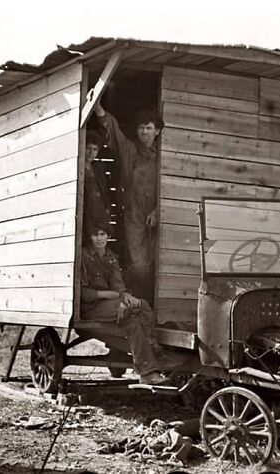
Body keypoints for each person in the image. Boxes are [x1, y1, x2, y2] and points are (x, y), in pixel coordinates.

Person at [80, 220, 173, 385]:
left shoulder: (110, 258)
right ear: (90, 236)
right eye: (95, 235)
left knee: (142, 306)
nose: (99, 239)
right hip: (92, 307)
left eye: (103, 234)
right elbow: (84, 293)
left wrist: (125, 297)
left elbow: (118, 285)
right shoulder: (84, 257)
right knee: (132, 316)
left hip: (111, 303)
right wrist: (112, 296)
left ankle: (153, 350)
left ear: (108, 236)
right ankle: (148, 369)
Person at [93, 102, 163, 305]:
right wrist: (100, 112)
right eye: (141, 127)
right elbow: (115, 133)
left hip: (159, 211)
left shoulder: (164, 155)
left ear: (157, 131)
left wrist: (158, 209)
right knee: (139, 262)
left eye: (149, 127)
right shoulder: (130, 149)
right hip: (134, 212)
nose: (144, 131)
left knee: (160, 260)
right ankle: (143, 303)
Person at [83, 130, 111, 231]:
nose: (91, 152)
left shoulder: (98, 167)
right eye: (88, 148)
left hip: (99, 208)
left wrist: (107, 207)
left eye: (95, 149)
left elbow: (104, 189)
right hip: (86, 208)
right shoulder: (78, 167)